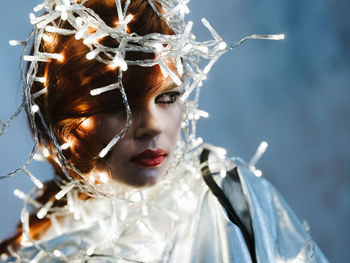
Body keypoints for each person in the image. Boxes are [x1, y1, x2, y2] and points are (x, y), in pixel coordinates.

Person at [0, 0, 328, 262]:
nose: (152, 126)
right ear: (63, 124)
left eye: (167, 97)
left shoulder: (226, 196)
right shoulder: (39, 254)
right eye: (120, 104)